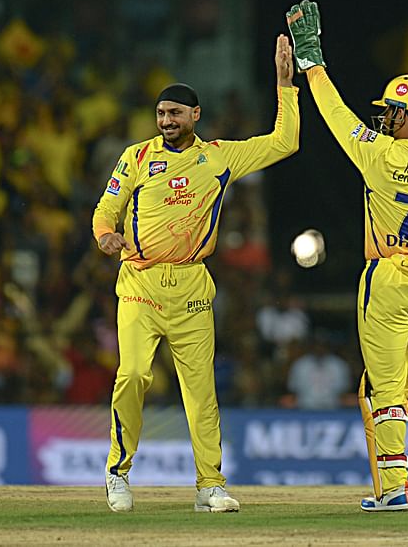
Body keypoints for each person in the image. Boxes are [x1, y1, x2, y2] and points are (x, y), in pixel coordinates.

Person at [286, 1, 408, 511]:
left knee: (384, 385)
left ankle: (395, 489)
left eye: (389, 110)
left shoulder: (376, 153)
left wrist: (312, 60)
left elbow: (333, 112)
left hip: (387, 276)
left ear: (404, 114)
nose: (383, 115)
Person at [92, 35, 300, 512]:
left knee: (201, 390)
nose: (166, 122)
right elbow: (107, 207)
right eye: (161, 114)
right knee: (133, 374)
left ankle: (210, 486)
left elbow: (285, 142)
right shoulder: (136, 157)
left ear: (195, 116)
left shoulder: (219, 157)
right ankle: (117, 473)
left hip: (191, 287)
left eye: (175, 114)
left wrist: (284, 84)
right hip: (139, 284)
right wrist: (105, 234)